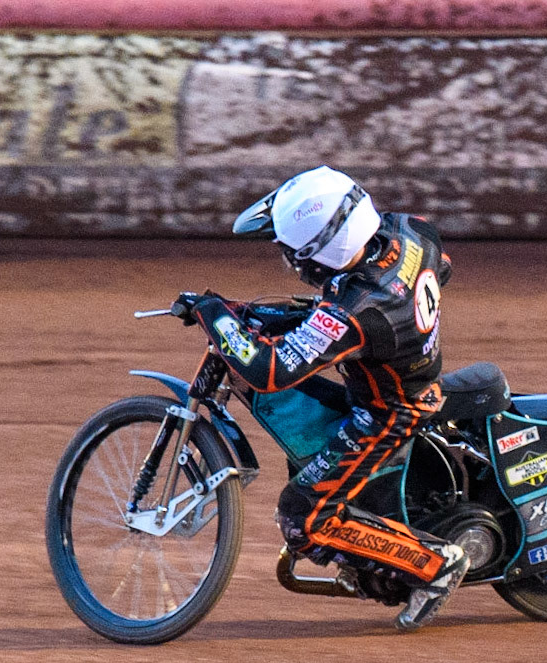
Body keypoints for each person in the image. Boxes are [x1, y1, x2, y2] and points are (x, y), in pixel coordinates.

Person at [187, 165, 467, 631]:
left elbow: (267, 370)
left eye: (290, 252)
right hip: (399, 370)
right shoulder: (409, 229)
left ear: (318, 253)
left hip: (388, 413)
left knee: (301, 518)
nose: (288, 260)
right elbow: (444, 270)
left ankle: (435, 566)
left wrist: (212, 312)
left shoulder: (357, 310)